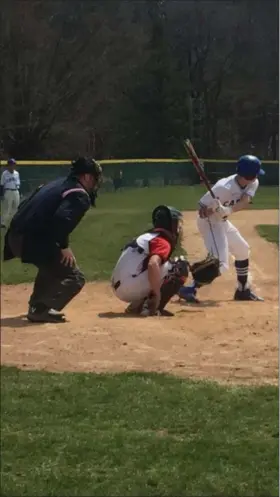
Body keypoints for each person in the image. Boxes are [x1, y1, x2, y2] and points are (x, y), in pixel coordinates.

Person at [3, 157, 103, 323]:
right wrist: (64, 246)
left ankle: (37, 305)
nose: (96, 183)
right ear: (86, 177)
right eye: (94, 178)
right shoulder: (79, 194)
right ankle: (41, 308)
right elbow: (61, 220)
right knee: (74, 277)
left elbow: (24, 207)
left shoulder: (55, 184)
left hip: (15, 237)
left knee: (50, 264)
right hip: (31, 241)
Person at [178, 155, 265, 303]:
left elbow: (245, 201)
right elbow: (202, 212)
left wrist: (227, 210)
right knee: (220, 263)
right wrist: (213, 209)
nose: (257, 176)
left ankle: (242, 291)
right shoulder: (223, 188)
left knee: (242, 249)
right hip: (209, 223)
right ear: (249, 174)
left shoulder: (252, 182)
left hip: (222, 221)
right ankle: (189, 289)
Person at [111, 205, 189, 317]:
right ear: (171, 224)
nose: (178, 227)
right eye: (176, 223)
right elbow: (153, 264)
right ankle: (153, 307)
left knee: (160, 268)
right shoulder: (162, 241)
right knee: (179, 266)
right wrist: (156, 293)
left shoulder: (149, 236)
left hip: (121, 285)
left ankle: (137, 305)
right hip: (129, 287)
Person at [0, 158, 21, 228]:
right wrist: (2, 194)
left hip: (16, 191)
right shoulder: (4, 174)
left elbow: (18, 183)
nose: (13, 166)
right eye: (11, 165)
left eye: (14, 165)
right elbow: (2, 185)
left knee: (16, 208)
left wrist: (18, 191)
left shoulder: (16, 173)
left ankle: (14, 222)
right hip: (8, 191)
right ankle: (3, 223)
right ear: (8, 165)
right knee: (7, 208)